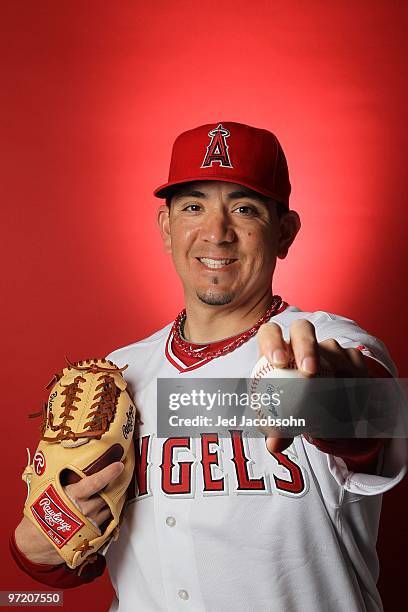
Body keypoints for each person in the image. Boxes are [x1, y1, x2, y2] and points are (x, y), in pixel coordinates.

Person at [12, 121, 407, 611]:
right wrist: (35, 552)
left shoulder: (334, 343)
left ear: (284, 233)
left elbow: (379, 429)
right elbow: (74, 556)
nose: (216, 233)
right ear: (167, 228)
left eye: (244, 209)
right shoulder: (119, 373)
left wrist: (326, 392)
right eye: (194, 207)